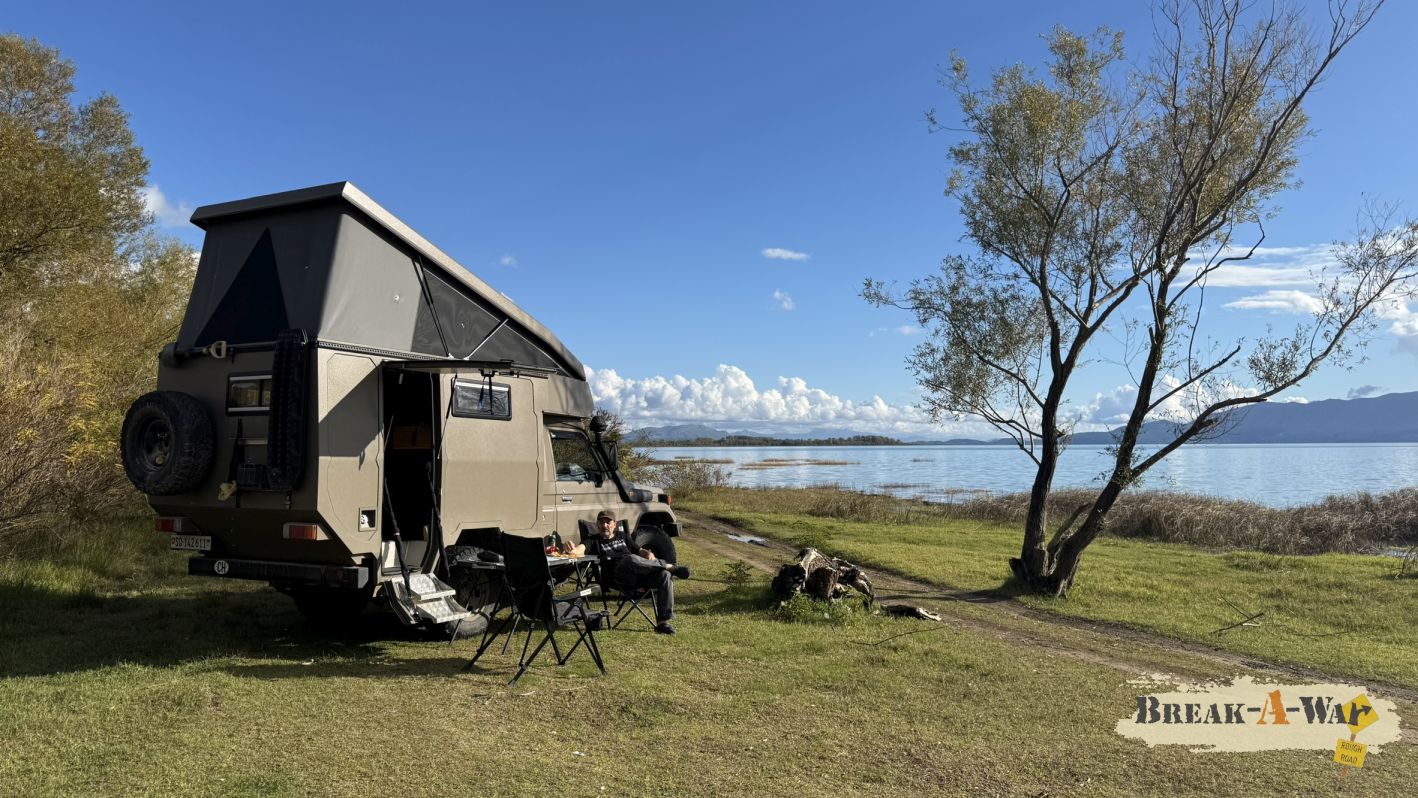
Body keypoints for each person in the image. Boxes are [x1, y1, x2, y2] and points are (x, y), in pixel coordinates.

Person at [581, 510, 689, 634]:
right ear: (597, 524)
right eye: (601, 522)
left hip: (637, 576)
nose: (604, 525)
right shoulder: (593, 540)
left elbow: (639, 550)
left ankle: (662, 623)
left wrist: (647, 553)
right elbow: (580, 549)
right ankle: (669, 566)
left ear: (614, 524)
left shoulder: (623, 536)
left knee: (664, 575)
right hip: (617, 577)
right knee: (630, 559)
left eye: (608, 522)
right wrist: (572, 549)